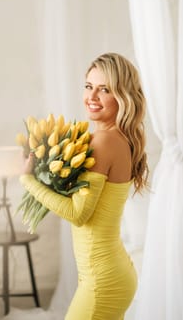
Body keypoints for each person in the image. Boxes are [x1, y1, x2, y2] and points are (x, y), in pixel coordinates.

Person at [20, 52, 149, 320]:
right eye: (89, 86)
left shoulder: (102, 142)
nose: (92, 97)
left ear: (123, 96)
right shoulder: (116, 138)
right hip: (111, 272)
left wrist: (30, 181)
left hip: (102, 280)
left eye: (105, 90)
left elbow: (78, 214)